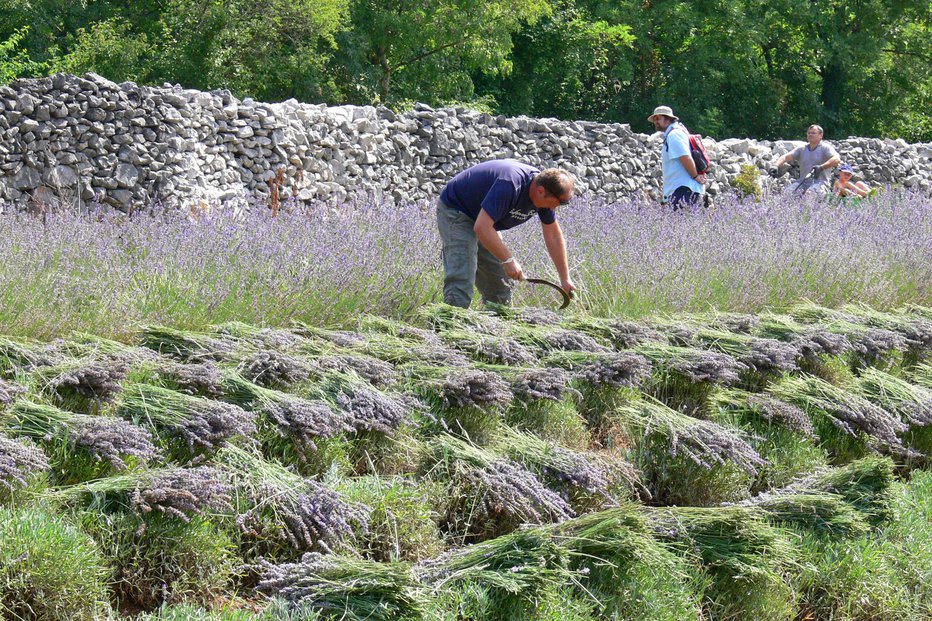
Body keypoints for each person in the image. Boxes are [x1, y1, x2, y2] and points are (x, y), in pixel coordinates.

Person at [436, 159, 576, 308]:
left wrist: (565, 279)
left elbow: (553, 235)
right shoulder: (510, 185)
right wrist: (508, 260)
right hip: (458, 211)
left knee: (501, 285)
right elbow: (482, 228)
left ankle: (494, 328)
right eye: (561, 202)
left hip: (485, 221)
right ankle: (447, 326)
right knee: (462, 279)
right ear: (541, 191)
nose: (558, 207)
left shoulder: (546, 195)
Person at [647, 105, 706, 209]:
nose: (655, 122)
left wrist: (695, 177)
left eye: (658, 118)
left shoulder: (674, 135)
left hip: (683, 190)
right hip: (682, 189)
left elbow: (685, 157)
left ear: (668, 119)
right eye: (654, 119)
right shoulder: (675, 133)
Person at [773, 124, 841, 194]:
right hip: (802, 182)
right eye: (809, 133)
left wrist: (821, 167)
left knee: (810, 194)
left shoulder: (826, 148)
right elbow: (786, 157)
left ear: (821, 135)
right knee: (787, 193)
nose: (810, 135)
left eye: (813, 133)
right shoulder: (802, 149)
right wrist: (775, 166)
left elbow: (836, 159)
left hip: (820, 183)